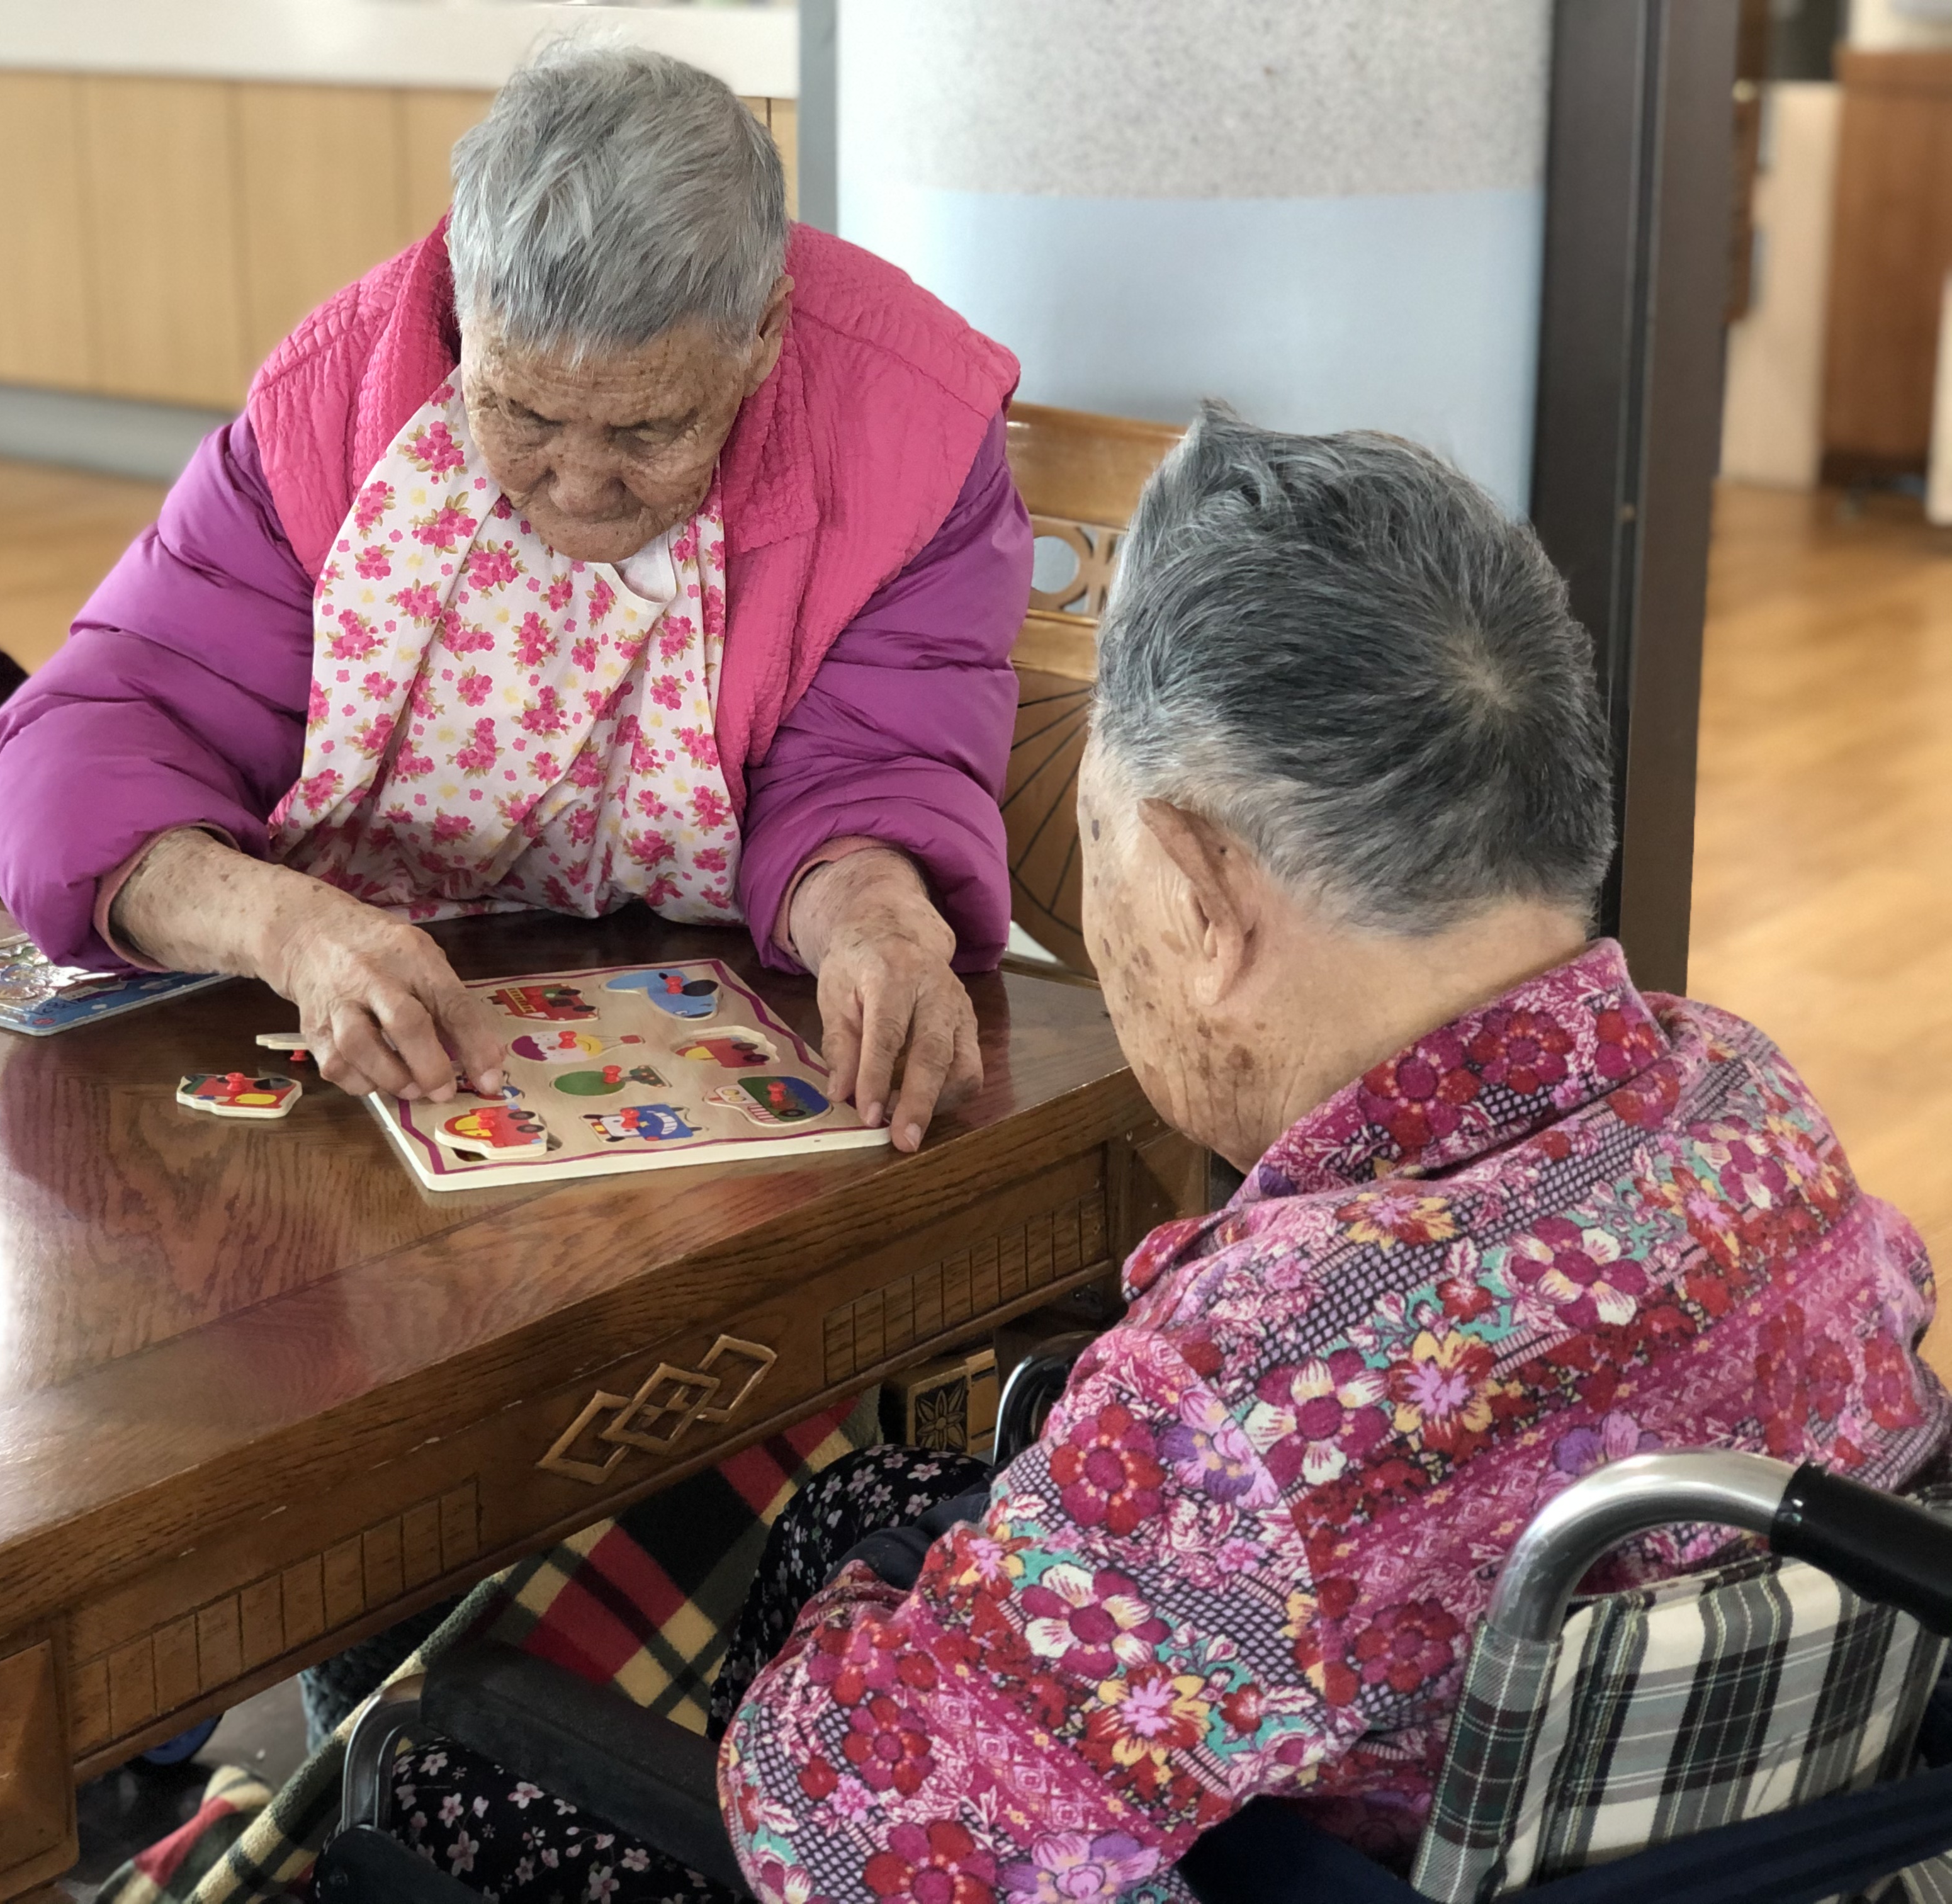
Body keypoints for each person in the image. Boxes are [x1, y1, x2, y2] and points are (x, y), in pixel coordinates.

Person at [376, 406, 1949, 1902]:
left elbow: (840, 1833)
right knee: (864, 1513)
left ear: (1199, 893)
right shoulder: (1749, 1101)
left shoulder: (1263, 1384)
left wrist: (914, 1607)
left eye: (1103, 844)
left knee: (447, 1762)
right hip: (1690, 1844)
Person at [0, 43, 1030, 1151]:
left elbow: (870, 769)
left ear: (763, 335)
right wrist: (292, 932)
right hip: (356, 1034)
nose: (577, 486)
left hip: (717, 1033)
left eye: (649, 429)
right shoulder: (334, 402)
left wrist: (878, 927)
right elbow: (79, 748)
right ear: (460, 310)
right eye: (521, 414)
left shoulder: (912, 428)